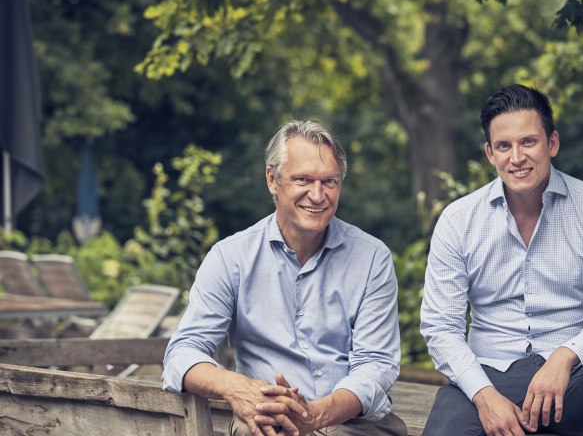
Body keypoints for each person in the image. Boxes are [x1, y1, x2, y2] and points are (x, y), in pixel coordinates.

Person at [420, 84, 583, 436]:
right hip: (490, 380)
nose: (517, 157)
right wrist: (483, 396)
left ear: (551, 143)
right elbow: (440, 327)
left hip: (575, 381)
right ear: (490, 154)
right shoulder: (458, 220)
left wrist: (566, 356)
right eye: (504, 146)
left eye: (528, 142)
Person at [163, 119, 407, 436]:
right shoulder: (229, 257)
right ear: (272, 180)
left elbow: (376, 365)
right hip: (268, 422)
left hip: (353, 425)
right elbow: (182, 353)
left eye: (329, 182)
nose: (317, 195)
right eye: (302, 179)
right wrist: (235, 386)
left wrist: (319, 414)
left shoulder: (372, 258)